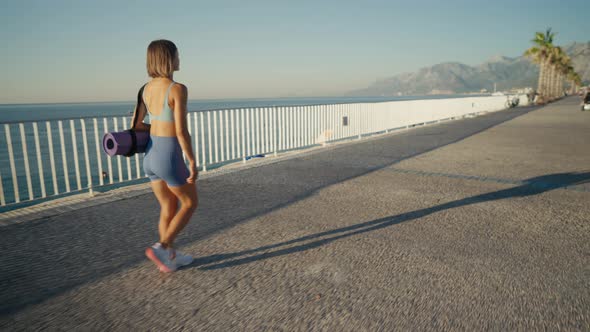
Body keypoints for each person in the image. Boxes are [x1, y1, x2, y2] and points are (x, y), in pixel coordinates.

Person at [133, 40, 199, 272]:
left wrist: (157, 128)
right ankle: (162, 246)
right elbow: (181, 131)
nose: (180, 59)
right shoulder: (177, 88)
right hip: (168, 155)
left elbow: (138, 124)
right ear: (168, 59)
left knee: (167, 206)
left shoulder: (145, 89)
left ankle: (169, 255)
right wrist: (191, 161)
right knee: (190, 203)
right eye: (177, 55)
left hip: (150, 155)